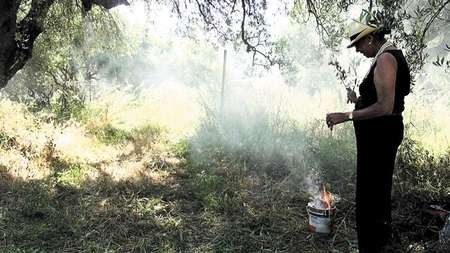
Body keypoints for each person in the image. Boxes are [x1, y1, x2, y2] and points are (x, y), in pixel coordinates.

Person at [325, 12, 411, 253]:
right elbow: (380, 99)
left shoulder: (385, 59)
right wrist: (359, 100)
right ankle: (375, 245)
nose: (356, 49)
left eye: (358, 43)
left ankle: (374, 246)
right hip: (378, 137)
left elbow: (385, 107)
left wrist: (347, 115)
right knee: (374, 194)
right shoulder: (384, 56)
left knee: (372, 198)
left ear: (371, 38)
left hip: (380, 138)